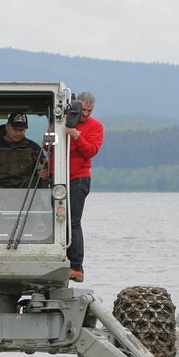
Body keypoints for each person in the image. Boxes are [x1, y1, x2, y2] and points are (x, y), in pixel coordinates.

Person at [65, 91, 103, 283]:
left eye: (90, 110)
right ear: (77, 106)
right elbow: (48, 146)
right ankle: (60, 257)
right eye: (84, 110)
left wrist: (76, 136)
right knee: (58, 220)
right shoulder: (62, 120)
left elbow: (90, 151)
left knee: (73, 221)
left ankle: (76, 266)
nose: (86, 114)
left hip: (79, 177)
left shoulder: (96, 126)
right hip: (59, 176)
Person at [0, 112, 48, 188]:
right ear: (7, 127)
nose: (18, 133)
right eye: (15, 129)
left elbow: (43, 167)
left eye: (21, 130)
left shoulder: (34, 149)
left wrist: (45, 172)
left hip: (26, 191)